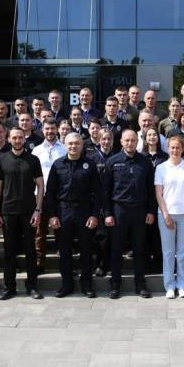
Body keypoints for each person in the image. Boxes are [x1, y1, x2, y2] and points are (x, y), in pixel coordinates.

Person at [103, 129, 156, 299]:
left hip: (140, 211)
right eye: (126, 140)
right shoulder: (112, 161)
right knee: (116, 249)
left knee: (139, 249)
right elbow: (106, 190)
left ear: (137, 142)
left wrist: (151, 211)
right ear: (121, 142)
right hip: (119, 210)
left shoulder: (145, 162)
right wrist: (108, 213)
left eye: (133, 140)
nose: (130, 143)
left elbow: (151, 189)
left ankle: (140, 285)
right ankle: (115, 285)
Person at [46, 133, 100, 298]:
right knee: (64, 251)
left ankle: (86, 285)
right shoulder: (57, 165)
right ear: (65, 145)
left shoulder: (89, 165)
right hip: (63, 212)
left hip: (84, 211)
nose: (73, 146)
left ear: (82, 145)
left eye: (77, 143)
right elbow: (50, 192)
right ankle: (66, 284)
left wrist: (94, 215)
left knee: (86, 250)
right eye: (70, 143)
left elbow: (98, 192)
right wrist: (52, 215)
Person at [0, 127, 45, 300]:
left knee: (30, 250)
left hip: (29, 211)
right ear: (9, 139)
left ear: (24, 139)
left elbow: (40, 185)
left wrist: (38, 209)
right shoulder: (1, 159)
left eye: (20, 137)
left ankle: (32, 287)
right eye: (14, 137)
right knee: (9, 251)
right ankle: (10, 287)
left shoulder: (33, 159)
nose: (17, 140)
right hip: (8, 212)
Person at [155, 135, 184, 299]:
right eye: (172, 147)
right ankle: (169, 285)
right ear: (168, 148)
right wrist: (165, 214)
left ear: (183, 149)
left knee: (183, 252)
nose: (175, 150)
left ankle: (182, 285)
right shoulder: (161, 168)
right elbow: (159, 194)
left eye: (178, 147)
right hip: (166, 213)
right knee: (168, 252)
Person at [31, 118, 66, 273]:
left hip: (60, 196)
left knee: (63, 232)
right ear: (42, 130)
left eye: (52, 128)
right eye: (47, 129)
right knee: (40, 231)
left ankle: (65, 263)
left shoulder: (65, 149)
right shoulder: (36, 150)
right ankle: (39, 262)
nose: (50, 131)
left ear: (57, 129)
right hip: (41, 196)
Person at [86, 129, 116, 277]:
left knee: (111, 237)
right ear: (98, 140)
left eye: (109, 139)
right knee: (99, 237)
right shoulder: (91, 158)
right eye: (103, 139)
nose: (106, 142)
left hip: (113, 201)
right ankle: (99, 264)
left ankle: (109, 264)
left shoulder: (117, 157)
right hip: (95, 201)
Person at [143, 127, 169, 274]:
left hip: (161, 199)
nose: (152, 137)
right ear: (145, 138)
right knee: (145, 235)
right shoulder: (140, 156)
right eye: (149, 135)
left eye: (154, 135)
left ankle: (159, 264)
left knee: (159, 236)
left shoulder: (165, 157)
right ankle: (146, 265)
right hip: (144, 200)